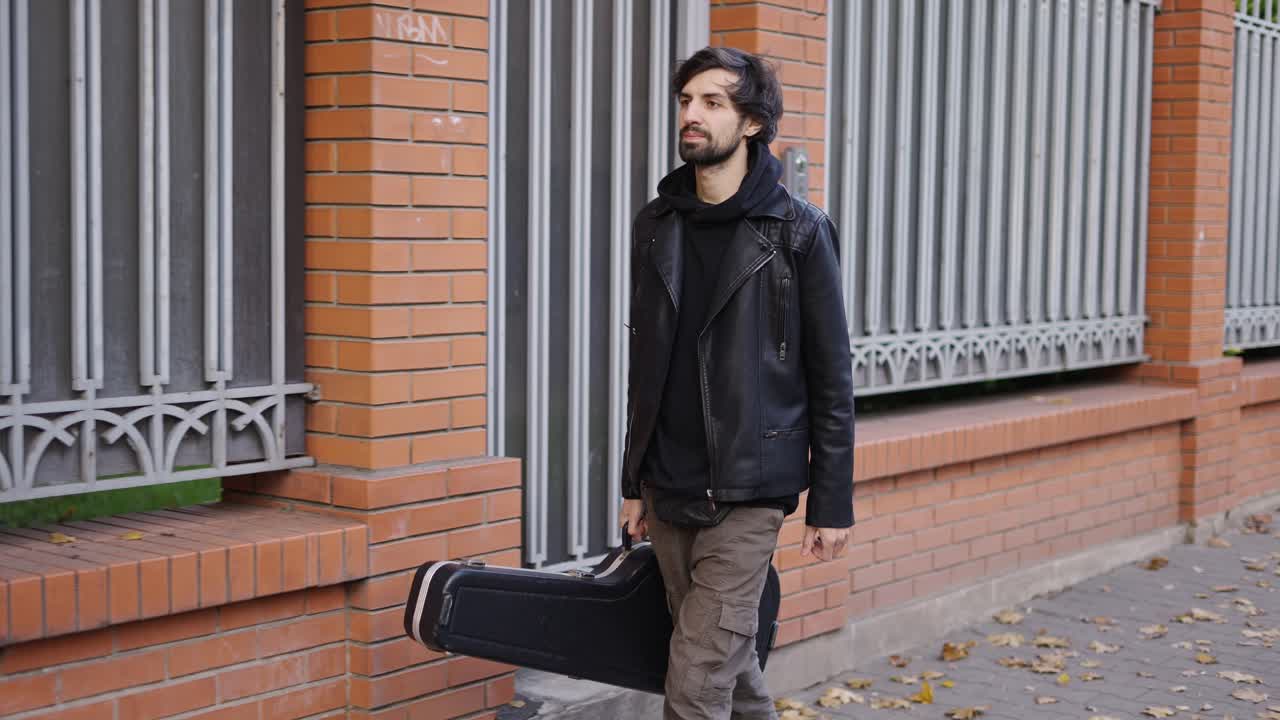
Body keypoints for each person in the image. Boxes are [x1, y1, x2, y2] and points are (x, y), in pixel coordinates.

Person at [618, 47, 856, 720]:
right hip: (669, 485)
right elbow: (646, 365)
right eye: (686, 101)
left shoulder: (798, 230)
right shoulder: (656, 224)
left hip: (749, 490)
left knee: (695, 683)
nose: (691, 115)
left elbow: (831, 375)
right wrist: (635, 482)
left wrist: (831, 501)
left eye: (712, 102)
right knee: (726, 660)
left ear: (752, 122)